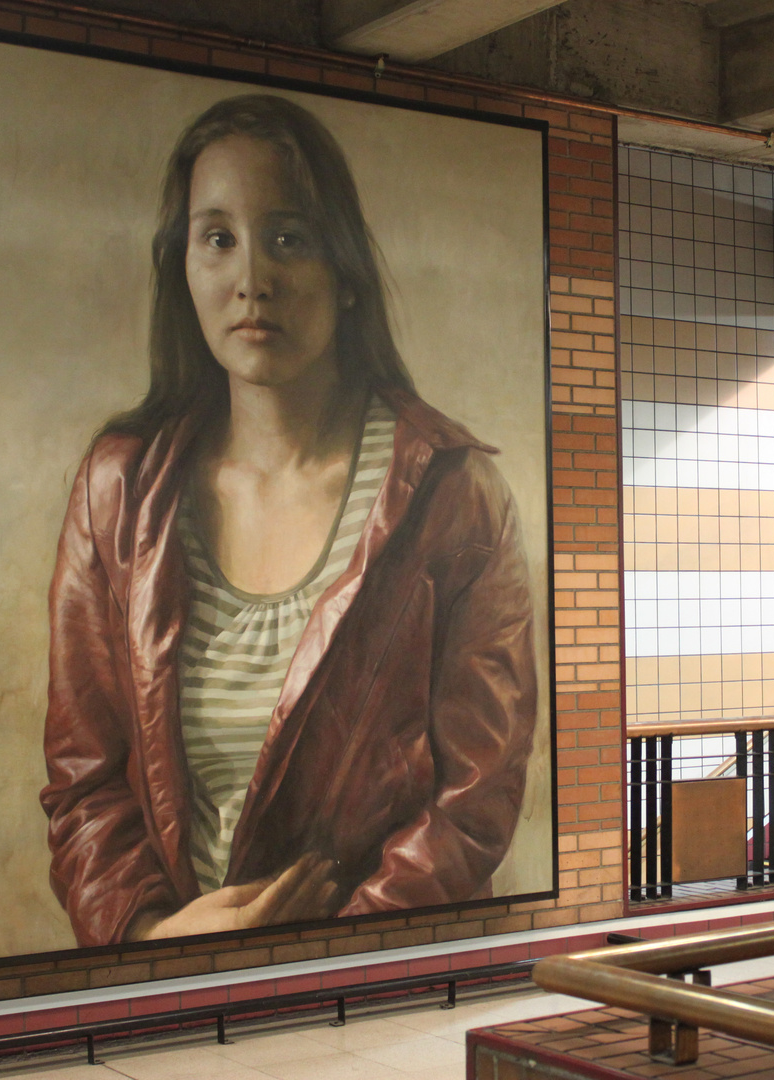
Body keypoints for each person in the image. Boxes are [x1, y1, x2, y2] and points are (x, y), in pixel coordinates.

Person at [39, 94, 538, 947]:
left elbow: (475, 801)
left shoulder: (452, 493)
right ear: (185, 268)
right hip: (170, 980)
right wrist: (156, 941)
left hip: (370, 984)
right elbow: (83, 782)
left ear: (345, 273)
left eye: (289, 237)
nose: (252, 279)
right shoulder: (117, 491)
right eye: (218, 238)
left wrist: (325, 955)